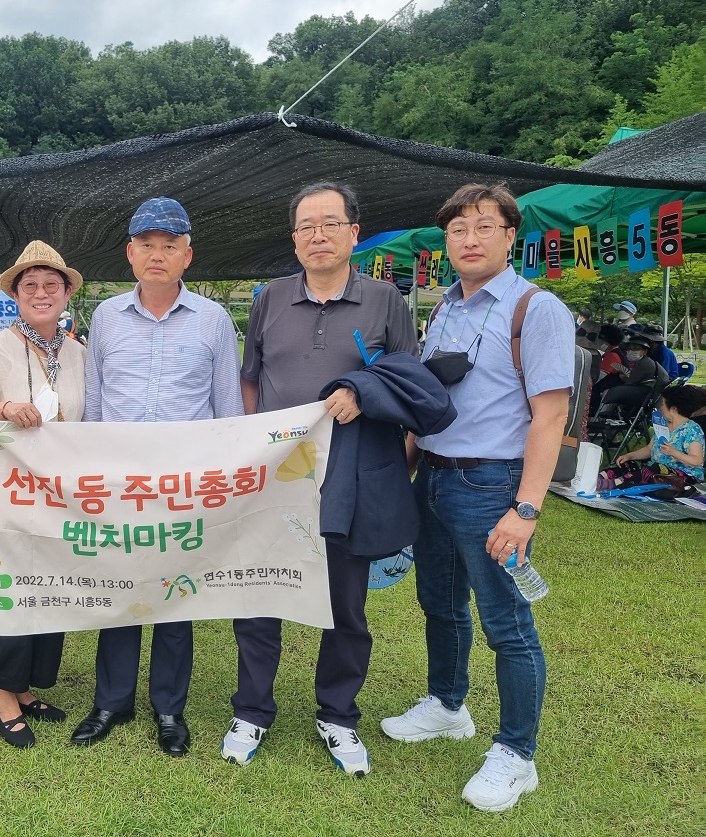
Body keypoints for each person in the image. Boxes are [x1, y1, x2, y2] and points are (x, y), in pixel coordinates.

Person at [382, 183, 575, 812]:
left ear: (510, 235)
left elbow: (550, 418)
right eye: (458, 228)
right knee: (439, 602)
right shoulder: (445, 309)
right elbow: (427, 400)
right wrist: (405, 467)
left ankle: (517, 754)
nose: (470, 239)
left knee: (507, 625)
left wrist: (524, 510)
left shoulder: (535, 309)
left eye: (484, 226)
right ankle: (446, 704)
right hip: (434, 475)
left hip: (492, 483)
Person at [224, 182, 418, 773]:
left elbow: (411, 386)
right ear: (294, 238)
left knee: (346, 606)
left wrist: (369, 398)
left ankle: (338, 716)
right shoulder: (270, 298)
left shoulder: (387, 301)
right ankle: (252, 711)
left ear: (354, 233)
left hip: (353, 479)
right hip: (276, 480)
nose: (318, 236)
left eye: (330, 223)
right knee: (260, 596)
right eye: (306, 226)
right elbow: (251, 381)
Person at [70, 197, 242, 758]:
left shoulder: (214, 320)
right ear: (129, 253)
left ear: (187, 255)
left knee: (176, 593)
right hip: (121, 483)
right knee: (121, 589)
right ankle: (111, 701)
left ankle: (170, 706)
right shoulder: (106, 317)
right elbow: (95, 406)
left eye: (170, 246)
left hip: (184, 485)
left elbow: (226, 413)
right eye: (147, 245)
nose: (157, 256)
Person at [0, 240, 86, 748]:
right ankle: (3, 697)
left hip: (60, 492)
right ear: (14, 293)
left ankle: (28, 686)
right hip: (6, 491)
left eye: (50, 284)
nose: (41, 293)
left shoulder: (77, 351)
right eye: (29, 285)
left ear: (66, 292)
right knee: (12, 586)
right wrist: (5, 407)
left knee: (48, 584)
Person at [598, 386, 704, 490]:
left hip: (684, 478)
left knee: (653, 469)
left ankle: (613, 484)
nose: (661, 408)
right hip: (656, 470)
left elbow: (697, 460)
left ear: (674, 409)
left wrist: (673, 452)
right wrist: (630, 456)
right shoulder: (663, 425)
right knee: (628, 464)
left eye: (663, 404)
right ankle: (599, 478)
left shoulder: (692, 430)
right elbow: (650, 449)